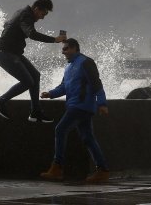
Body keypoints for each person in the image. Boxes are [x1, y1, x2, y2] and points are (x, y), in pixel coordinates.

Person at [40, 38, 109, 183]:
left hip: (81, 105)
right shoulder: (69, 67)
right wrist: (50, 94)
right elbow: (64, 87)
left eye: (65, 49)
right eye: (63, 49)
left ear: (74, 48)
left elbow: (96, 82)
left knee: (60, 130)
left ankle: (57, 167)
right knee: (88, 138)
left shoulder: (85, 62)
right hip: (75, 106)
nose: (63, 52)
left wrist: (102, 103)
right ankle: (102, 170)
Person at [0, 0, 66, 123]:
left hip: (13, 53)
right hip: (4, 54)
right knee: (28, 81)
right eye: (43, 13)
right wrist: (54, 39)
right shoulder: (26, 16)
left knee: (35, 76)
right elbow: (32, 34)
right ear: (36, 9)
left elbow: (7, 24)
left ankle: (35, 112)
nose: (43, 17)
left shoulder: (21, 13)